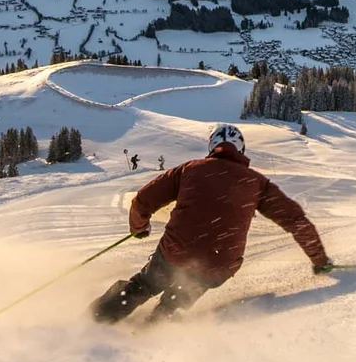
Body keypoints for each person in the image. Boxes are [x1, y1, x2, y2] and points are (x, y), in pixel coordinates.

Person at [91, 123, 331, 323]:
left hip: (177, 251)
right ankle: (152, 332)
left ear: (211, 147)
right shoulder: (257, 182)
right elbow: (296, 221)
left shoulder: (190, 169)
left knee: (143, 285)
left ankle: (93, 322)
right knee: (179, 297)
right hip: (219, 263)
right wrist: (320, 261)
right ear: (242, 150)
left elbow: (142, 201)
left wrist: (139, 228)